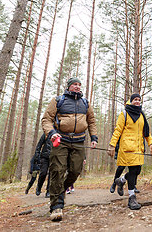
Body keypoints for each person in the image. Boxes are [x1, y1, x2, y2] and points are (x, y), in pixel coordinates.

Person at [42, 77, 98, 221]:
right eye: (74, 84)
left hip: (79, 142)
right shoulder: (57, 101)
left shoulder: (85, 103)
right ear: (68, 86)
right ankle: (56, 207)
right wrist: (52, 134)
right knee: (57, 170)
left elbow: (91, 121)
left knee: (75, 171)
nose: (77, 87)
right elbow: (46, 119)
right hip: (60, 140)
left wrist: (94, 138)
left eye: (79, 85)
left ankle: (60, 191)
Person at [107, 94, 152, 210]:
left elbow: (146, 132)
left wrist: (151, 143)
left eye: (139, 100)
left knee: (137, 171)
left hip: (139, 148)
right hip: (127, 148)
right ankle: (132, 198)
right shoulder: (124, 114)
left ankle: (121, 180)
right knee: (133, 172)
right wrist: (112, 145)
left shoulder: (141, 115)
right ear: (130, 101)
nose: (137, 102)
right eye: (135, 100)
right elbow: (118, 130)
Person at [33, 133, 52, 197]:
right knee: (43, 173)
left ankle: (49, 191)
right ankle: (39, 187)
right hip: (44, 157)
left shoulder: (60, 133)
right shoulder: (46, 134)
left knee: (52, 174)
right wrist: (37, 156)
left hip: (55, 157)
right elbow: (39, 145)